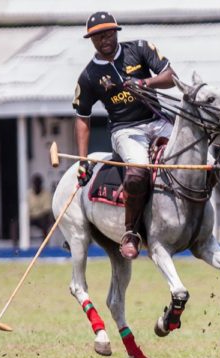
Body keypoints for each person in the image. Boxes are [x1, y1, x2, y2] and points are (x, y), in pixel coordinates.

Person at [72, 11, 177, 259]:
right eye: (97, 36)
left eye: (108, 33)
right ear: (91, 40)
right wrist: (83, 160)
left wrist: (146, 84)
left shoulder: (140, 49)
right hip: (126, 130)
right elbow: (82, 117)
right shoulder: (89, 76)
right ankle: (131, 232)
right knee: (138, 170)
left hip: (158, 120)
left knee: (193, 153)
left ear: (116, 32)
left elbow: (171, 77)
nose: (104, 39)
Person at [28, 173, 54, 238]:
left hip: (41, 218)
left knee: (45, 222)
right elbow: (26, 208)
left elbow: (47, 210)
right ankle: (15, 246)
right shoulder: (28, 194)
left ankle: (45, 244)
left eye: (38, 183)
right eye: (35, 183)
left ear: (40, 184)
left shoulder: (46, 194)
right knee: (15, 223)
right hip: (30, 217)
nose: (36, 185)